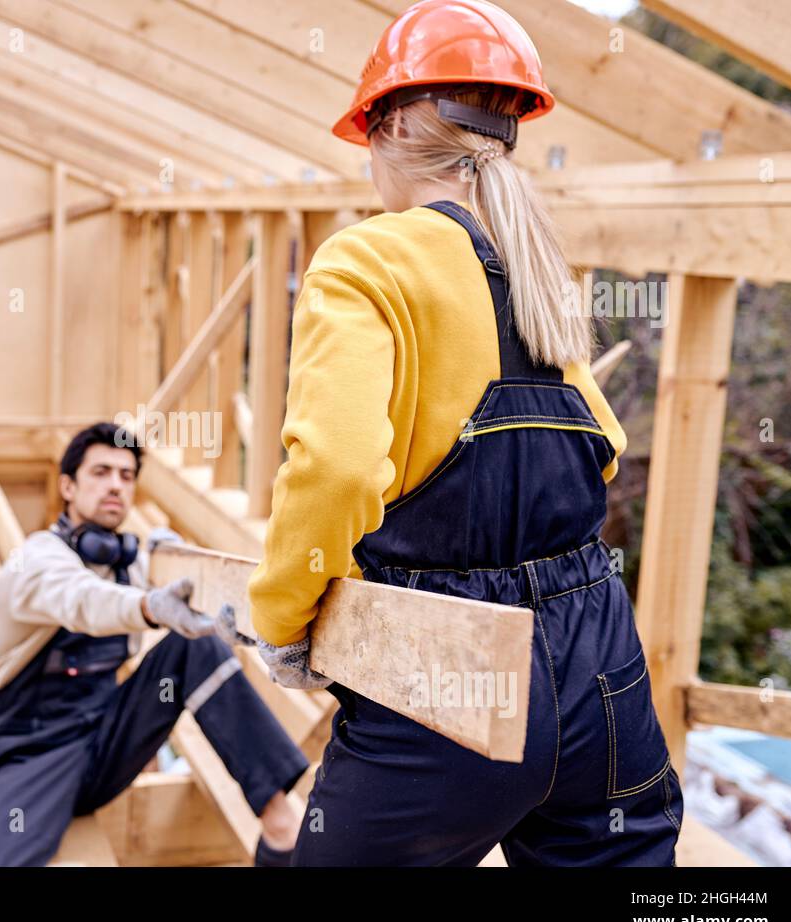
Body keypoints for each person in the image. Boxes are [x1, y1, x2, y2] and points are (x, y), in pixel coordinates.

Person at [236, 0, 684, 865]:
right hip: (603, 668)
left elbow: (333, 469)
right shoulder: (539, 272)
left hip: (445, 669)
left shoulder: (363, 261)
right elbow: (605, 447)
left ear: (393, 123)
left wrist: (284, 620)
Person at [0, 422, 310, 866]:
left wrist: (231, 610)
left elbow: (188, 594)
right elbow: (83, 600)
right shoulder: (36, 559)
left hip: (105, 742)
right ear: (67, 486)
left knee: (194, 647)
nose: (116, 485)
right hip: (35, 753)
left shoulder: (130, 563)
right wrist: (149, 604)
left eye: (126, 476)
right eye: (101, 472)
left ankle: (281, 831)